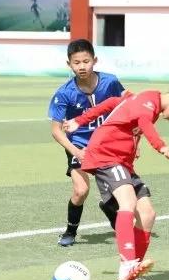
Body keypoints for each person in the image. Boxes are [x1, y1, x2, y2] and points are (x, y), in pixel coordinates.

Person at [65, 83, 169, 280]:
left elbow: (113, 103)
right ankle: (128, 265)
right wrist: (161, 146)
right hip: (106, 156)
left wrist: (80, 121)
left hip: (122, 163)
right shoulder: (149, 103)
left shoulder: (144, 100)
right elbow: (144, 123)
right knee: (128, 203)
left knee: (147, 214)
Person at [47, 39, 126, 247]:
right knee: (81, 191)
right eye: (76, 63)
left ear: (95, 60)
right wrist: (76, 151)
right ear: (69, 65)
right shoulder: (64, 93)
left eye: (86, 61)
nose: (82, 66)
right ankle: (70, 232)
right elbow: (56, 131)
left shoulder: (110, 82)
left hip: (107, 145)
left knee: (120, 189)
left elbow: (126, 106)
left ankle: (109, 209)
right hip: (79, 146)